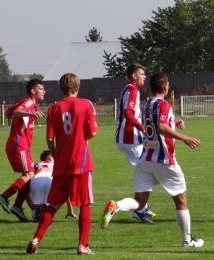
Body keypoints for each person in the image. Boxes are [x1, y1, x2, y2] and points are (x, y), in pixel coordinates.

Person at [101, 72, 204, 247]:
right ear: (165, 87)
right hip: (164, 161)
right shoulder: (164, 104)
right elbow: (161, 127)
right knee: (181, 200)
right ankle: (187, 241)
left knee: (139, 203)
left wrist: (174, 122)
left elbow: (154, 124)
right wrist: (184, 137)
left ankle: (116, 206)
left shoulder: (147, 103)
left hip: (145, 161)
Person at [26, 73, 97, 255]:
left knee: (53, 205)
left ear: (61, 88)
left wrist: (56, 152)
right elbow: (92, 133)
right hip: (81, 163)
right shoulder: (86, 104)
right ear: (77, 87)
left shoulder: (54, 108)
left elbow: (49, 137)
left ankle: (36, 239)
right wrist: (81, 139)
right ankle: (82, 245)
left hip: (61, 164)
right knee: (85, 204)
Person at [101, 63, 155, 228]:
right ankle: (123, 207)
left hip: (124, 138)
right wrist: (143, 128)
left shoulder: (127, 89)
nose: (144, 76)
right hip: (131, 138)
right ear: (133, 76)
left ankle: (142, 208)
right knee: (150, 172)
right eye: (141, 73)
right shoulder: (133, 90)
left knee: (145, 172)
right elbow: (129, 113)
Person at [0, 79, 45, 222]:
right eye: (41, 88)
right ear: (33, 91)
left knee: (28, 177)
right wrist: (31, 114)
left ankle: (18, 206)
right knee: (30, 174)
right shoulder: (29, 103)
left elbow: (8, 112)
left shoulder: (27, 103)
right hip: (19, 145)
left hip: (20, 146)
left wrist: (20, 115)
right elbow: (16, 112)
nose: (44, 91)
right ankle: (4, 197)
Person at [31, 150, 77, 222]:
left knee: (37, 206)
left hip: (36, 178)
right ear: (49, 158)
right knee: (51, 204)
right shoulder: (57, 164)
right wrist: (70, 210)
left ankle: (36, 212)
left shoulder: (37, 165)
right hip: (50, 178)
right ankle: (44, 214)